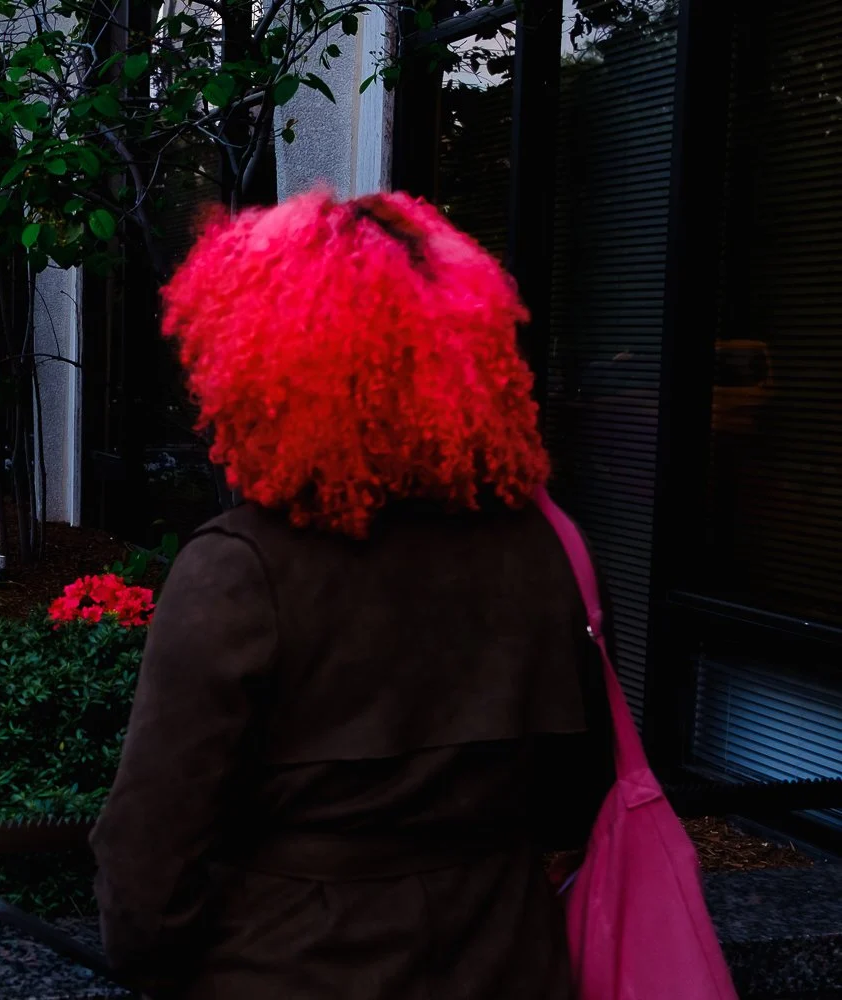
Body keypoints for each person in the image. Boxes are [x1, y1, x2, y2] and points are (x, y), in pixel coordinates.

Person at [90, 190, 615, 1000]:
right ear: (467, 351)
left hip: (294, 968)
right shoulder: (541, 546)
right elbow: (574, 794)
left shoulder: (239, 569)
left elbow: (149, 855)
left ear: (262, 361)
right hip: (512, 960)